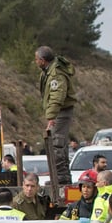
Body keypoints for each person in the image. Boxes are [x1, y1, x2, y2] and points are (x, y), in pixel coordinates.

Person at [36, 45, 76, 189]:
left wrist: (51, 116)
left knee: (56, 144)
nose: (36, 62)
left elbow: (57, 96)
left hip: (60, 111)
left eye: (37, 59)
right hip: (60, 111)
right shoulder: (50, 71)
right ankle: (61, 177)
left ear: (42, 60)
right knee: (58, 143)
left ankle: (60, 178)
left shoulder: (55, 74)